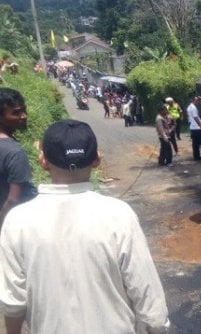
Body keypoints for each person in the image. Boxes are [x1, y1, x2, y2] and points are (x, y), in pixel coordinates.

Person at [0, 119, 170, 334]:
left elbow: (13, 302)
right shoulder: (118, 214)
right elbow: (146, 292)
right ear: (97, 159)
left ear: (43, 161)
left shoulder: (17, 220)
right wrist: (158, 328)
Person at [0, 88, 37, 225]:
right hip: (13, 223)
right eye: (16, 113)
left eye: (24, 110)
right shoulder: (14, 153)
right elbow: (14, 200)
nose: (23, 116)